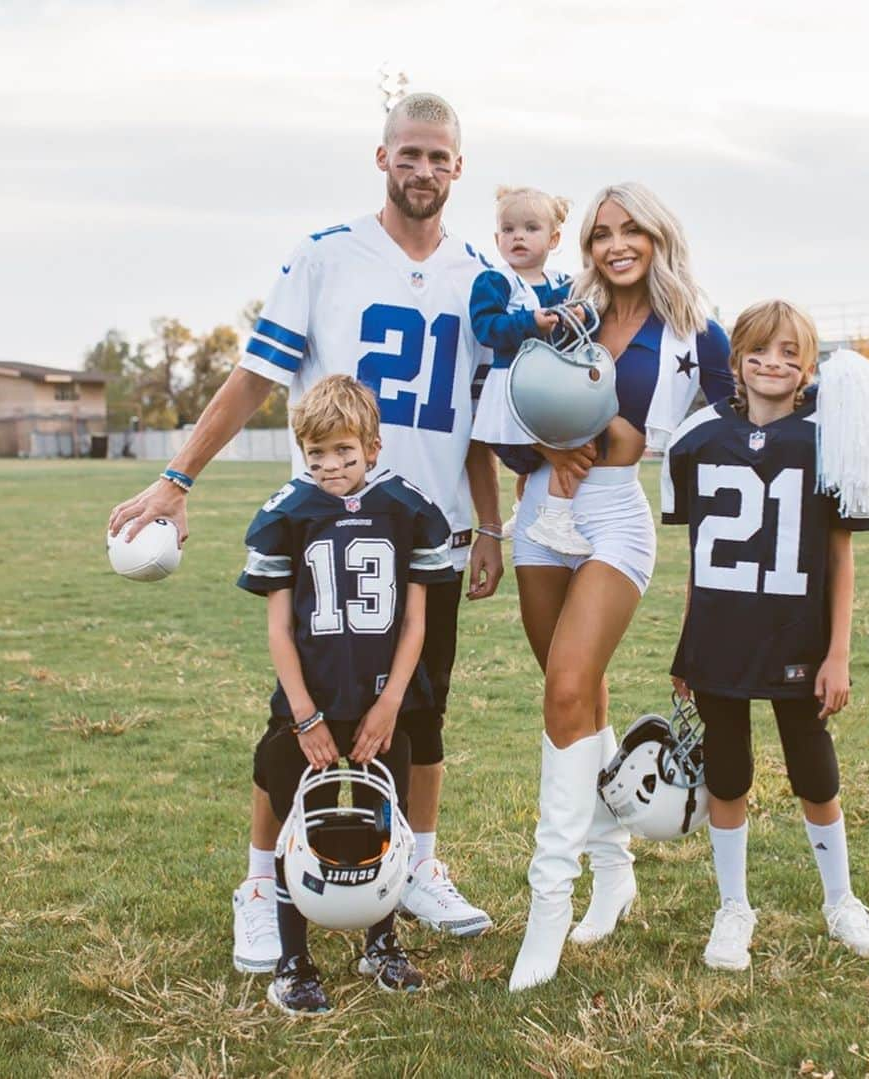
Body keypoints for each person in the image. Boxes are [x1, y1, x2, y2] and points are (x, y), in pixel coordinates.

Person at [107, 92, 502, 974]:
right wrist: (177, 477)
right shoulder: (325, 256)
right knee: (296, 720)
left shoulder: (480, 273)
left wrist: (491, 526)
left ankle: (418, 866)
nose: (424, 170)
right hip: (328, 532)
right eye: (410, 153)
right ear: (382, 157)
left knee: (420, 718)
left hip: (427, 531)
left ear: (459, 168)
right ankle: (260, 884)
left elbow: (481, 415)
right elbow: (255, 375)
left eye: (440, 157)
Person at [507, 182, 735, 991]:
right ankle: (613, 869)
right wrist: (541, 452)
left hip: (616, 521)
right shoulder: (566, 313)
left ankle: (548, 904)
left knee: (569, 686)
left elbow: (743, 421)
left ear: (657, 235)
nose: (615, 244)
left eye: (630, 228)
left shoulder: (695, 331)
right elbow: (510, 421)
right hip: (540, 515)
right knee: (577, 697)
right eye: (602, 233)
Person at [661, 298, 869, 973]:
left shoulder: (828, 437)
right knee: (727, 773)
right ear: (735, 360)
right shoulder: (701, 435)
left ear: (809, 367)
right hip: (723, 634)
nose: (773, 363)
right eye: (760, 351)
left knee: (814, 770)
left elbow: (842, 556)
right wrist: (686, 644)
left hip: (799, 636)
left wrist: (838, 652)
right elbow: (699, 555)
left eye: (790, 353)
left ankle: (841, 899)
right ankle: (734, 906)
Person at [239, 375, 457, 1010]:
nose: (331, 467)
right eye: (317, 455)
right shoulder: (289, 512)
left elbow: (417, 620)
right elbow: (279, 627)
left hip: (381, 701)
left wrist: (391, 704)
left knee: (381, 819)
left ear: (374, 446)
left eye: (344, 452)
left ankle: (381, 942)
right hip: (310, 701)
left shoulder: (406, 508)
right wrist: (305, 716)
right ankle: (293, 958)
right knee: (294, 819)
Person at [470, 185, 590, 555]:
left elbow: (585, 330)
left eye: (530, 228)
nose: (517, 236)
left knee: (545, 459)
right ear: (497, 238)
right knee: (559, 451)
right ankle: (554, 518)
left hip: (550, 387)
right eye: (508, 229)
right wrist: (528, 322)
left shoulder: (564, 284)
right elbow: (486, 328)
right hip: (512, 386)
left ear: (553, 238)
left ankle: (530, 510)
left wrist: (583, 316)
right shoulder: (495, 281)